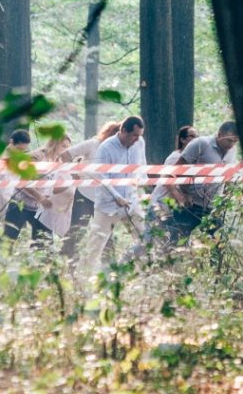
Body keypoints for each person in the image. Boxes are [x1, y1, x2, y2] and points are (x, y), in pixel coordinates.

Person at [80, 115, 148, 280]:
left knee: (146, 238)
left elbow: (142, 167)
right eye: (134, 135)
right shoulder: (106, 148)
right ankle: (81, 278)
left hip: (132, 202)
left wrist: (143, 184)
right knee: (95, 245)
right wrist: (117, 197)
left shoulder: (140, 143)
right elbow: (101, 177)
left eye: (139, 135)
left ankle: (142, 277)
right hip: (108, 205)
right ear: (123, 131)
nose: (137, 139)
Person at [166, 121, 239, 242]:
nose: (231, 145)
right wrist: (184, 194)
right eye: (229, 140)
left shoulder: (233, 151)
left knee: (216, 243)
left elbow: (228, 176)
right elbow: (177, 170)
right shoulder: (201, 144)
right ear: (219, 134)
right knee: (179, 243)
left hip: (213, 207)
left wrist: (226, 199)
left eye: (235, 141)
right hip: (191, 205)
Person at [60, 121, 121, 258]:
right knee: (77, 230)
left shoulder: (118, 151)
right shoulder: (93, 144)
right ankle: (66, 261)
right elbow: (65, 155)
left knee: (106, 234)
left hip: (104, 198)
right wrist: (74, 174)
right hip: (85, 194)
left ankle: (109, 267)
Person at [149, 125, 198, 224]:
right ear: (182, 140)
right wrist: (180, 199)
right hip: (160, 202)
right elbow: (168, 181)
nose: (196, 139)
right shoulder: (175, 157)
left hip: (171, 205)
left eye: (197, 136)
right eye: (192, 136)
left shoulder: (190, 158)